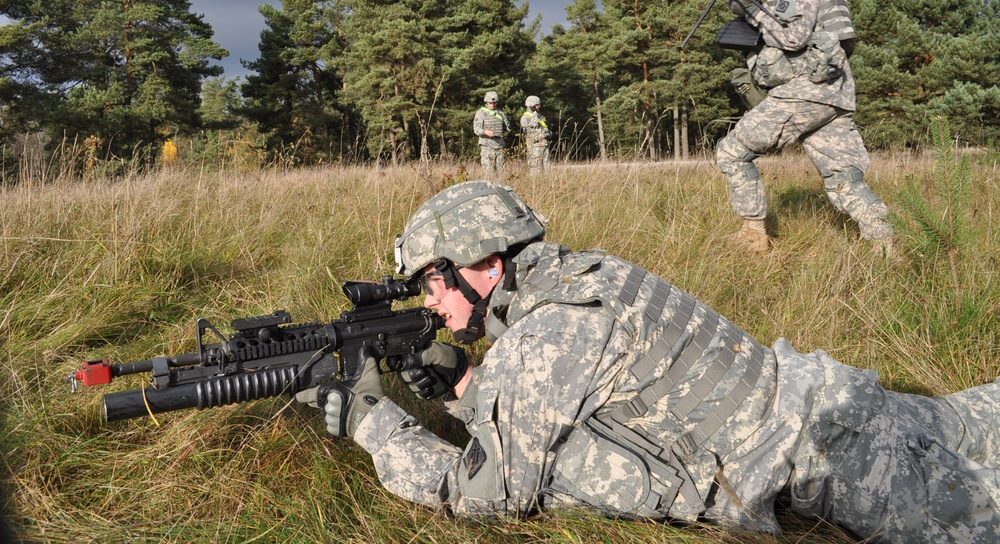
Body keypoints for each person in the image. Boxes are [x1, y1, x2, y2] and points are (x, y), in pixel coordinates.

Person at [297, 180, 1000, 543]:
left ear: (484, 263)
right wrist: (467, 385)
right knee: (973, 416)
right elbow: (583, 403)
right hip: (825, 395)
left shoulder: (550, 333)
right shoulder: (577, 279)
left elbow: (483, 497)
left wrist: (374, 426)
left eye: (433, 281)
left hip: (841, 459)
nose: (434, 303)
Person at [718, 0, 892, 255]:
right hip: (831, 94)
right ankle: (887, 247)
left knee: (732, 152)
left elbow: (792, 36)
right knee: (844, 181)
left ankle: (754, 240)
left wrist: (751, 10)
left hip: (804, 93)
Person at [473, 91, 510, 178]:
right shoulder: (481, 113)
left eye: (494, 103)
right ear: (486, 102)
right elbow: (476, 129)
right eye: (490, 103)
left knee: (501, 174)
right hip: (487, 146)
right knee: (489, 174)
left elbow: (507, 128)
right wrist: (485, 132)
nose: (492, 104)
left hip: (499, 146)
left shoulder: (500, 113)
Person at [520, 95, 551, 173]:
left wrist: (548, 132)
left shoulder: (541, 117)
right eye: (537, 105)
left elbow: (547, 130)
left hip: (544, 146)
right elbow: (530, 130)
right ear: (531, 106)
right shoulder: (525, 118)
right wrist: (534, 114)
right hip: (534, 147)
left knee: (547, 171)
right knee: (535, 171)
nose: (539, 106)